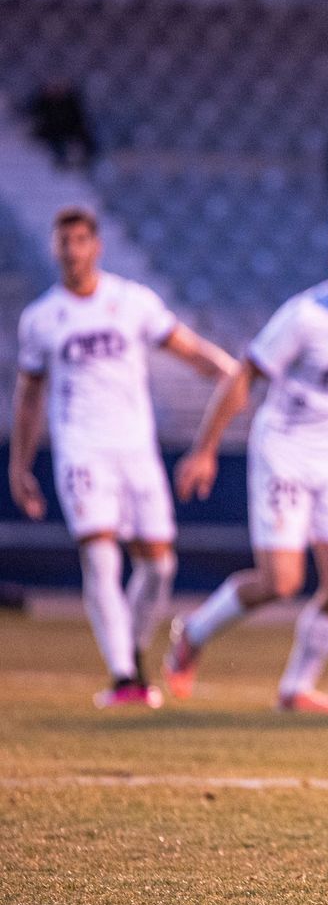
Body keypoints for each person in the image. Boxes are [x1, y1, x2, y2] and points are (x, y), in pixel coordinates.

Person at [165, 212, 328, 715]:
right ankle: (192, 633)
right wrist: (204, 449)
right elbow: (243, 378)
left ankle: (296, 688)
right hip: (284, 448)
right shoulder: (305, 316)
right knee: (282, 582)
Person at [9, 205, 235, 708]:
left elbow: (187, 346)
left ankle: (130, 650)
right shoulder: (42, 319)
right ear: (55, 248)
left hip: (136, 449)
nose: (72, 251)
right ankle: (124, 678)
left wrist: (229, 371)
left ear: (96, 246)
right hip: (81, 451)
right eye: (64, 242)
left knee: (159, 566)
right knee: (100, 555)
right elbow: (29, 396)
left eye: (81, 241)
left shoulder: (131, 302)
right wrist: (20, 465)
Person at [28, 79, 97, 170]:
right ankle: (61, 162)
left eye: (59, 86)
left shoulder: (72, 101)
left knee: (87, 140)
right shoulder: (43, 102)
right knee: (56, 143)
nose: (57, 89)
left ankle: (87, 161)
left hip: (70, 130)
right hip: (52, 132)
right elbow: (37, 119)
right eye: (53, 87)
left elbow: (79, 119)